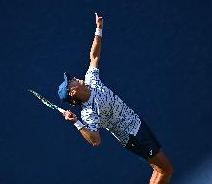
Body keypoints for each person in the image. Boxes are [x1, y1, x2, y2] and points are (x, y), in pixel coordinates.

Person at [57, 13, 173, 184]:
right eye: (71, 81)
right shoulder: (88, 113)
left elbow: (94, 56)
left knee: (158, 169)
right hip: (133, 136)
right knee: (165, 170)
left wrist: (99, 28)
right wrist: (76, 122)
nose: (74, 78)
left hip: (137, 124)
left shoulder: (91, 79)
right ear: (72, 92)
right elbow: (95, 140)